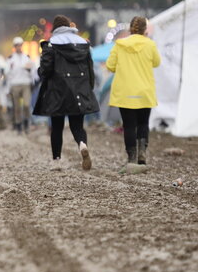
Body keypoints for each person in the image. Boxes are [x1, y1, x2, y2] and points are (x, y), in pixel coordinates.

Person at [33, 15, 99, 170]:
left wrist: (39, 72)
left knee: (57, 127)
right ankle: (82, 145)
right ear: (69, 26)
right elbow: (90, 70)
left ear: (55, 29)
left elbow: (45, 70)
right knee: (78, 126)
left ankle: (57, 161)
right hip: (80, 90)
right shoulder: (83, 44)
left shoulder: (51, 45)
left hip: (58, 91)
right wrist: (88, 89)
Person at [106, 16, 161, 165]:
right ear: (145, 30)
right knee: (143, 124)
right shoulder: (150, 44)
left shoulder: (119, 44)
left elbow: (110, 66)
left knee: (129, 126)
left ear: (130, 29)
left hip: (125, 92)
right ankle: (142, 153)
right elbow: (157, 62)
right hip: (145, 91)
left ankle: (131, 157)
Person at [6, 36, 35, 134]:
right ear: (15, 46)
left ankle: (26, 122)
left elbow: (33, 71)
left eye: (20, 45)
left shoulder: (27, 57)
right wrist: (8, 87)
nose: (19, 47)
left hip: (26, 83)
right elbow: (7, 73)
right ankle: (18, 125)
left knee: (26, 105)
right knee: (17, 107)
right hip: (15, 84)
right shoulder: (10, 59)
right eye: (17, 45)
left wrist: (29, 69)